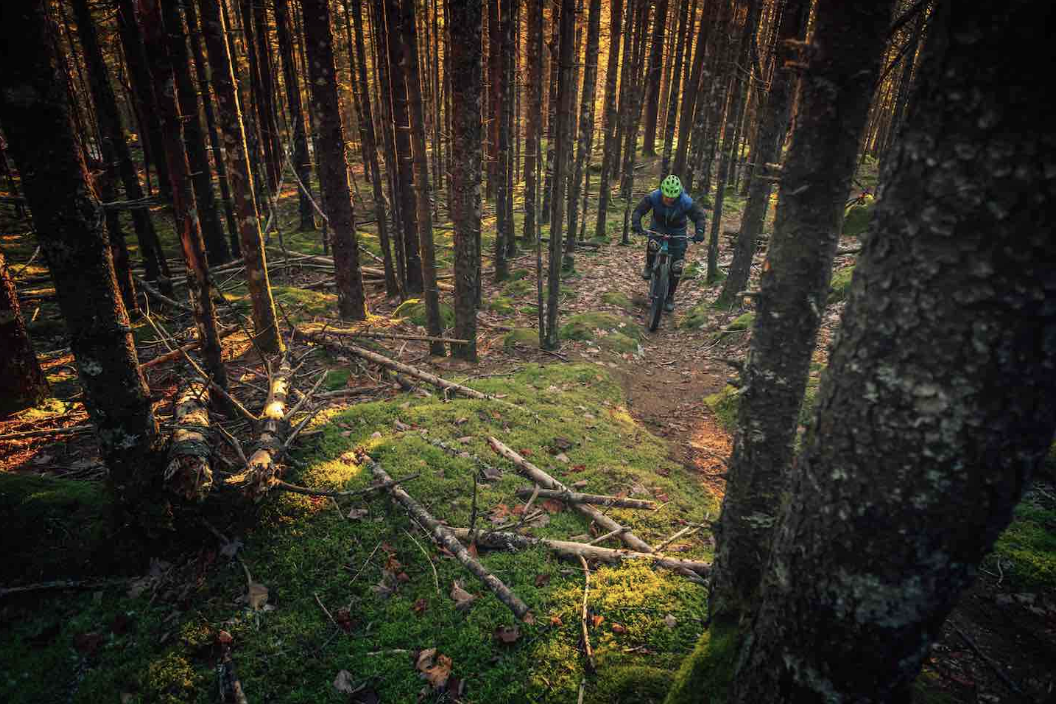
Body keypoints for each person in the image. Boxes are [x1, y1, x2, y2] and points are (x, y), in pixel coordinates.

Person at [631, 174, 707, 311]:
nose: (668, 200)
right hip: (658, 226)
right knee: (653, 244)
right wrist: (636, 223)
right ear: (662, 191)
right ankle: (649, 265)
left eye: (672, 198)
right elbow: (639, 210)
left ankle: (670, 296)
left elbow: (699, 216)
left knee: (677, 265)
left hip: (678, 230)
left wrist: (700, 232)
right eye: (666, 196)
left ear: (677, 195)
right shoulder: (654, 196)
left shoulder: (685, 201)